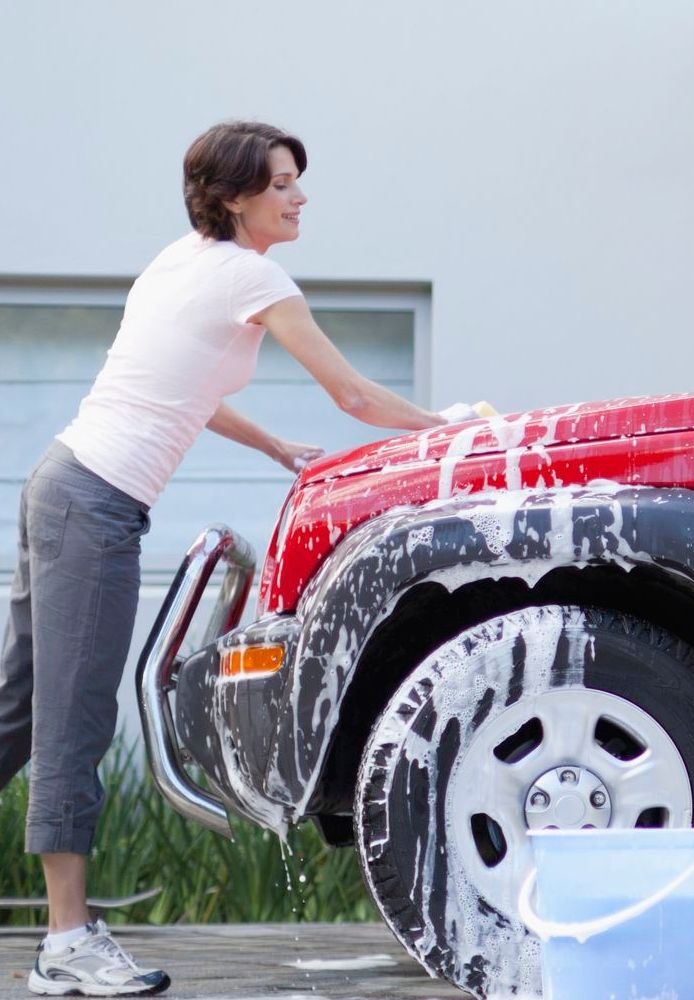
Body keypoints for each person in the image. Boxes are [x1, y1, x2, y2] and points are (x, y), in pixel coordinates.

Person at [0, 120, 449, 995]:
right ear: (238, 196)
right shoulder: (254, 275)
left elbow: (182, 388)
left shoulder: (179, 262)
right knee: (71, 720)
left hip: (60, 480)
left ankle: (65, 937)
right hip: (93, 504)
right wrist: (454, 429)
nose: (299, 196)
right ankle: (66, 945)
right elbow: (352, 392)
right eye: (282, 183)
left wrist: (274, 445)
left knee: (16, 709)